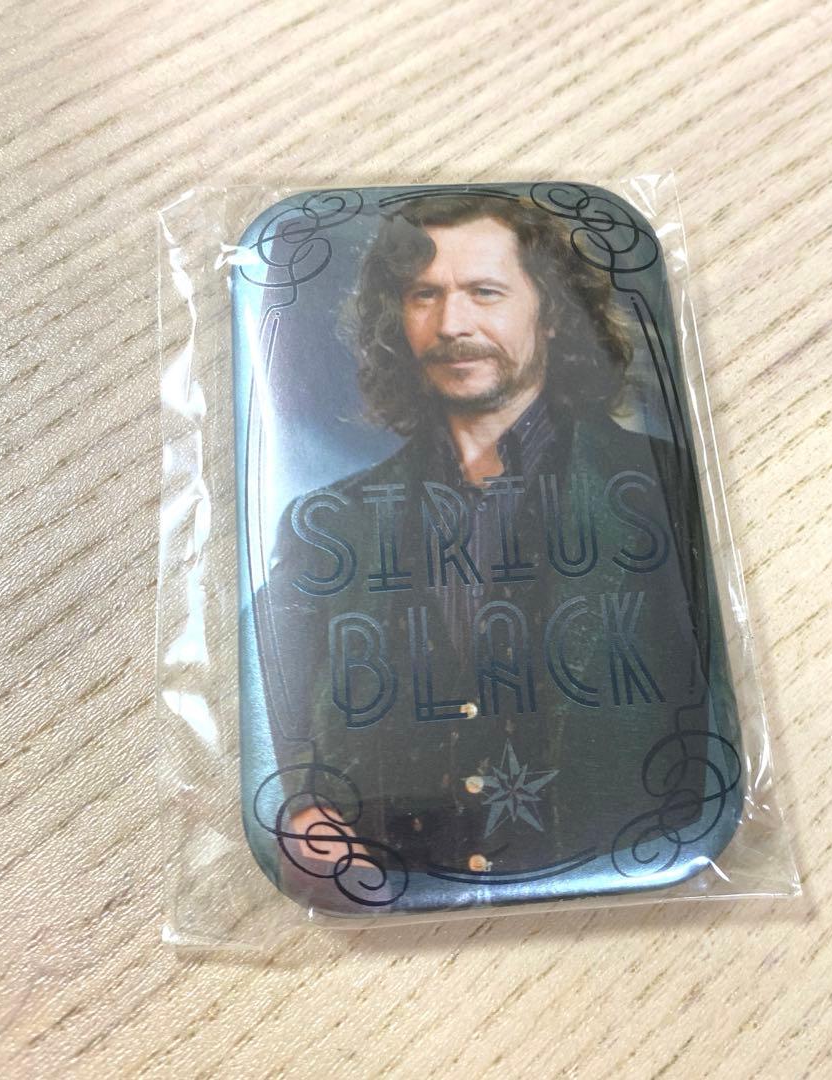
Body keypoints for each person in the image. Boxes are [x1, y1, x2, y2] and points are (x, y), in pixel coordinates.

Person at [262, 194, 729, 903]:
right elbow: (271, 700)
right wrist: (301, 808)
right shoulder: (330, 523)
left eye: (485, 292)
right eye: (424, 295)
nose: (452, 324)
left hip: (633, 896)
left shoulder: (665, 485)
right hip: (390, 909)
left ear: (552, 313)